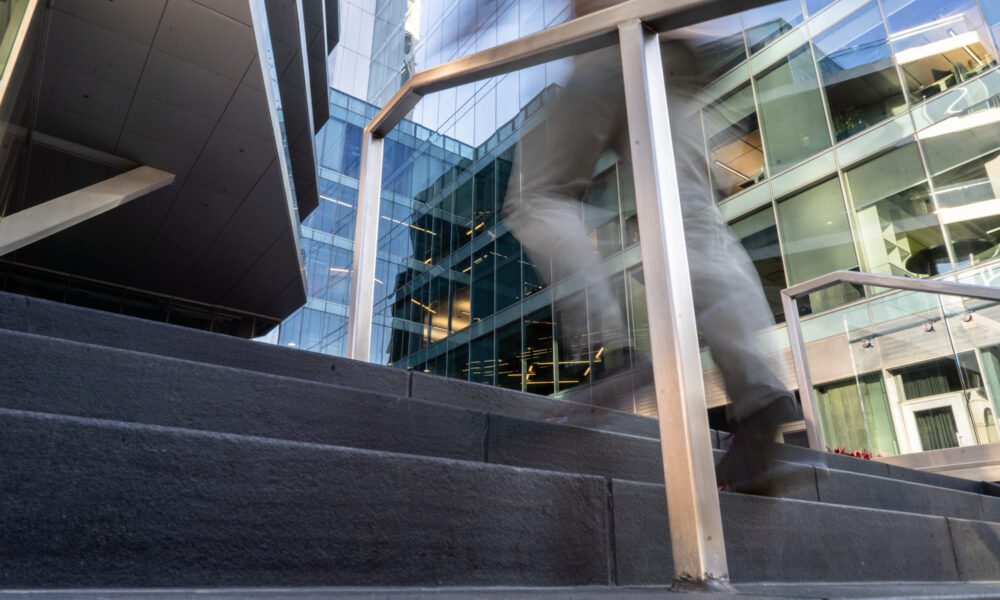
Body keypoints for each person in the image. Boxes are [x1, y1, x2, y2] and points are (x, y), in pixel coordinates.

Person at [499, 1, 797, 493]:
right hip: (672, 49)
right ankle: (761, 397)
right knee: (694, 225)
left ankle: (606, 348)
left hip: (612, 39)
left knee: (539, 197)